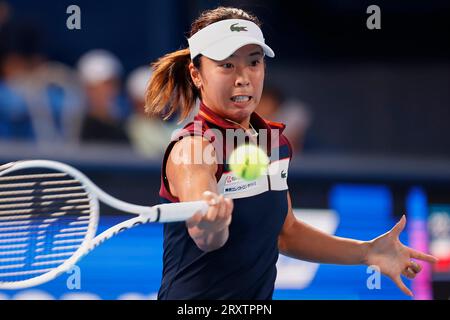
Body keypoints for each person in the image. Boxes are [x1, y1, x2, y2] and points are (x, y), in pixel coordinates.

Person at [144, 6, 437, 299]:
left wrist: (368, 251)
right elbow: (205, 236)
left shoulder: (271, 142)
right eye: (227, 65)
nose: (243, 77)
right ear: (196, 74)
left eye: (253, 62)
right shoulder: (193, 147)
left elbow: (286, 233)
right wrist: (212, 224)